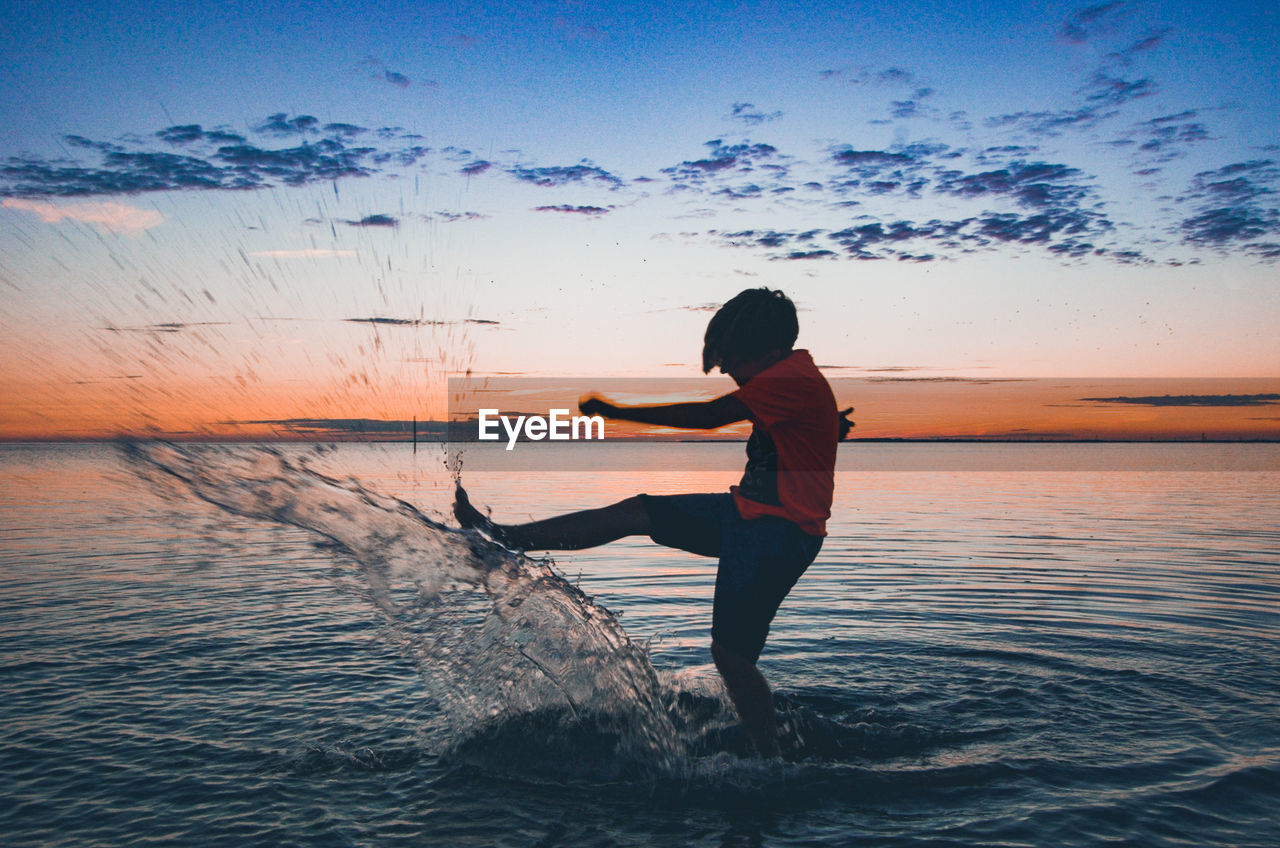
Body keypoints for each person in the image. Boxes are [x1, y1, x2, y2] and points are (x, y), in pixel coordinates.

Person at [454, 287, 852, 757]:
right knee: (636, 511)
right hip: (749, 519)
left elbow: (709, 417)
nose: (725, 370)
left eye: (732, 359)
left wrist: (616, 411)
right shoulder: (793, 378)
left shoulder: (790, 378)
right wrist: (829, 426)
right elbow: (805, 426)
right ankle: (502, 539)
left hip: (775, 535)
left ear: (768, 349)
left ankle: (771, 760)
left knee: (731, 656)